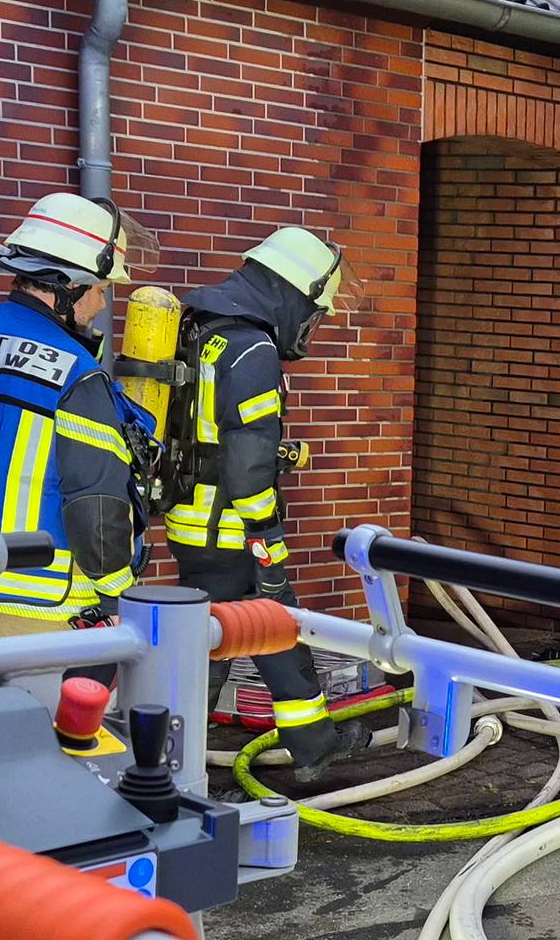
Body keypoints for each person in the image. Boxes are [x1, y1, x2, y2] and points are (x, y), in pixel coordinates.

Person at [0, 193, 148, 709]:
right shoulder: (78, 372)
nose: (101, 304)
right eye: (99, 289)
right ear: (66, 287)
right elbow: (96, 503)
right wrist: (117, 595)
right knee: (59, 745)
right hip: (55, 603)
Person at [162, 227, 354, 780]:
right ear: (291, 292)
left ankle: (313, 744)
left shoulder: (202, 328)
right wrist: (266, 531)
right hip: (230, 528)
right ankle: (173, 769)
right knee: (221, 638)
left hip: (191, 517)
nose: (312, 323)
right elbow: (245, 465)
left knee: (267, 625)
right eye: (313, 309)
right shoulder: (254, 346)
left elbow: (206, 430)